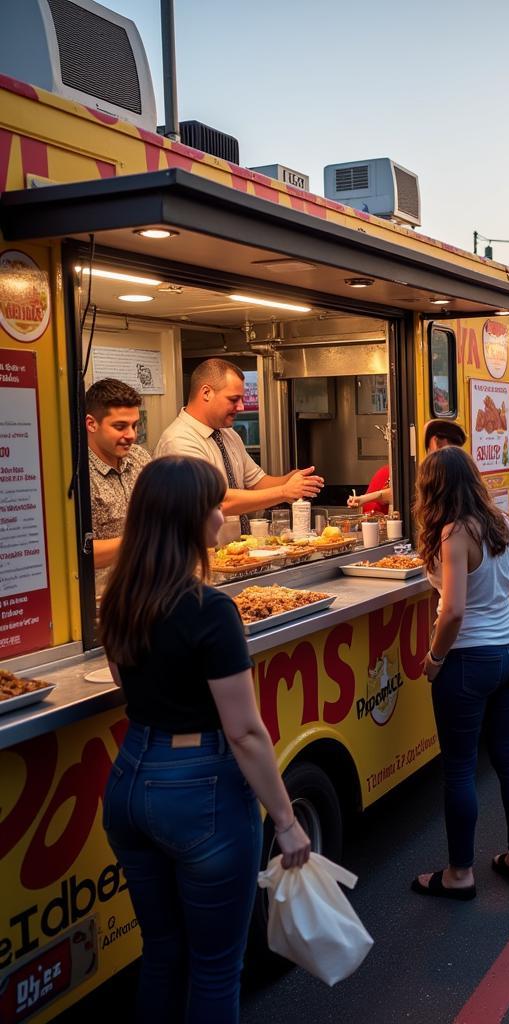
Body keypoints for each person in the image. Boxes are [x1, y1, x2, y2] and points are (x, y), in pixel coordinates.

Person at [99, 457, 311, 1023]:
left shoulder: (118, 599)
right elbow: (244, 731)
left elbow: (126, 689)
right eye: (215, 506)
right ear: (189, 520)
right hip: (202, 793)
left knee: (163, 952)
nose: (222, 515)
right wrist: (286, 821)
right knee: (217, 967)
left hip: (130, 779)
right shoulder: (210, 610)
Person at [411, 447, 509, 898]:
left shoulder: (452, 533)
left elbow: (454, 611)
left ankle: (460, 874)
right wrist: (495, 600)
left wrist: (435, 658)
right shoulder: (503, 523)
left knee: (461, 769)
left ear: (433, 487)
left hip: (467, 660)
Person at [155, 358, 323, 536]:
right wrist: (284, 491)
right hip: (195, 557)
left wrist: (291, 480)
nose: (241, 406)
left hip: (233, 552)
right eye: (234, 399)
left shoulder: (228, 434)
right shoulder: (178, 441)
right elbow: (217, 502)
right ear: (206, 393)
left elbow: (256, 484)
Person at [85, 378, 151, 595]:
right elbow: (81, 553)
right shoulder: (77, 475)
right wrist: (147, 540)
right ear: (91, 424)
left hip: (148, 587)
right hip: (103, 598)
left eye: (134, 425)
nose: (131, 435)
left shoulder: (140, 458)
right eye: (120, 426)